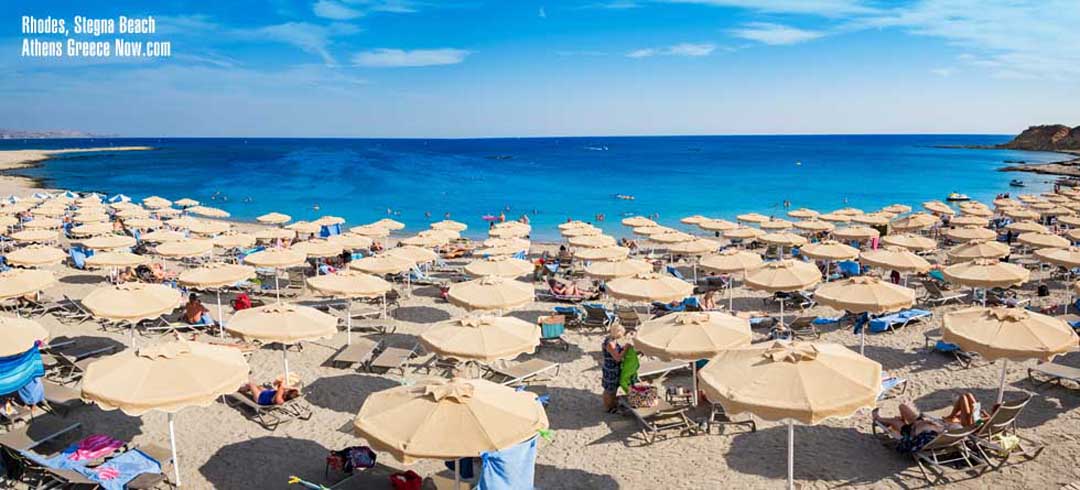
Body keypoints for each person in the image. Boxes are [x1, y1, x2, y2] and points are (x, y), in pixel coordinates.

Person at [872, 392, 982, 453]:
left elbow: (918, 434)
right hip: (920, 426)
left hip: (912, 430)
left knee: (898, 415)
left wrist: (924, 423)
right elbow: (941, 427)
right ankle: (888, 420)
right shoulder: (956, 431)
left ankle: (879, 419)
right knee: (903, 409)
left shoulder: (936, 434)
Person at [601, 323, 630, 413]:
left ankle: (612, 405)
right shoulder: (610, 344)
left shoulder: (609, 339)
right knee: (610, 390)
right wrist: (626, 349)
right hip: (611, 369)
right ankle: (608, 407)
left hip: (610, 367)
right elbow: (617, 358)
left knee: (611, 389)